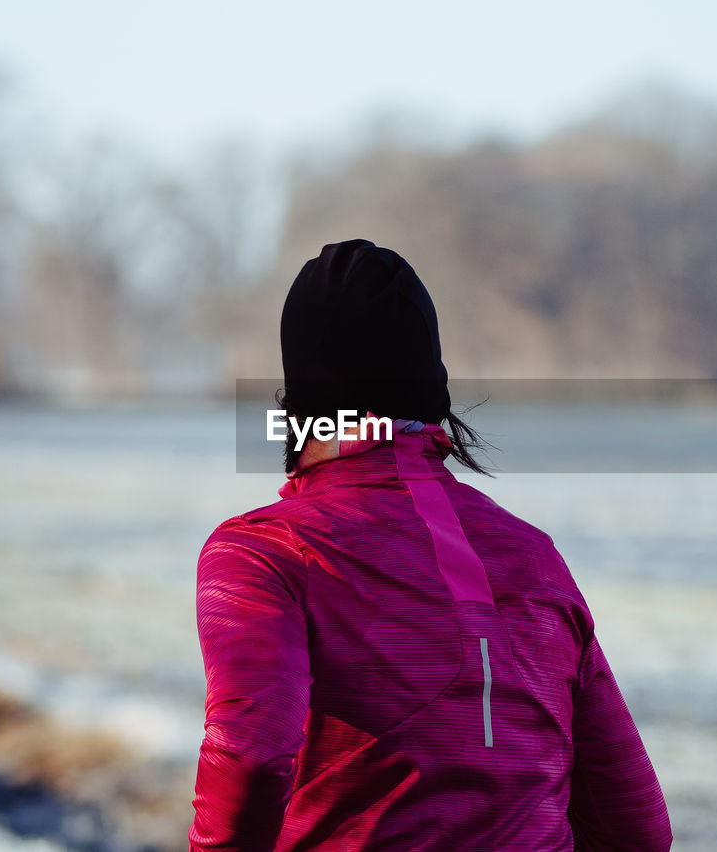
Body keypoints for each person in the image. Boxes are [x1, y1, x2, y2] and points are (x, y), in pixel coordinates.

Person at [189, 239, 672, 851]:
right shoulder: (535, 557)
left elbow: (252, 758)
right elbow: (638, 825)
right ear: (433, 390)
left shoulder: (265, 553)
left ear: (297, 406)